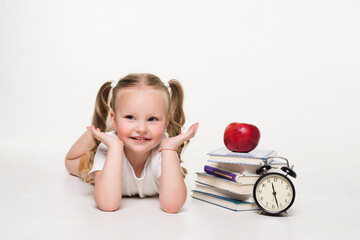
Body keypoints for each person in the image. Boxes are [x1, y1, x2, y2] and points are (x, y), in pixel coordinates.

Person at [65, 73, 199, 214]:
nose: (141, 129)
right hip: (110, 149)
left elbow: (173, 206)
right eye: (130, 117)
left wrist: (169, 149)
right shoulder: (109, 147)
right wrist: (115, 147)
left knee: (129, 131)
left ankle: (122, 126)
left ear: (166, 122)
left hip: (132, 136)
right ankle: (106, 126)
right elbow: (107, 204)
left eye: (152, 119)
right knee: (71, 162)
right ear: (114, 119)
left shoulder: (165, 149)